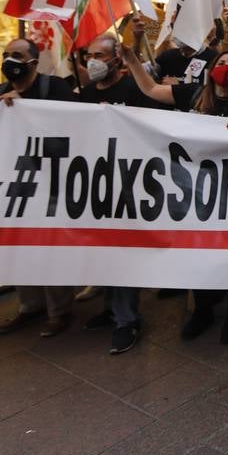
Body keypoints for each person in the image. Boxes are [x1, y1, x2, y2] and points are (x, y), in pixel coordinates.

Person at [124, 18, 228, 344]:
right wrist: (132, 61)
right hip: (194, 190)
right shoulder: (193, 94)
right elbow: (151, 89)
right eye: (222, 63)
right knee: (198, 251)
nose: (227, 67)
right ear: (211, 69)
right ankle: (203, 309)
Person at [0, 37, 79, 339]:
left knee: (50, 246)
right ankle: (30, 305)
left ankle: (58, 311)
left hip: (53, 182)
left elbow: (74, 128)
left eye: (16, 55)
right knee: (20, 245)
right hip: (17, 185)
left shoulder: (56, 88)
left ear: (33, 62)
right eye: (5, 55)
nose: (9, 60)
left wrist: (24, 107)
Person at [74, 35, 160, 354]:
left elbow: (157, 124)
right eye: (89, 55)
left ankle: (128, 320)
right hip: (96, 184)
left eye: (100, 54)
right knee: (104, 250)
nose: (93, 60)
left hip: (129, 183)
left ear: (116, 59)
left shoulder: (133, 89)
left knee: (123, 251)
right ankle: (111, 308)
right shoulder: (85, 94)